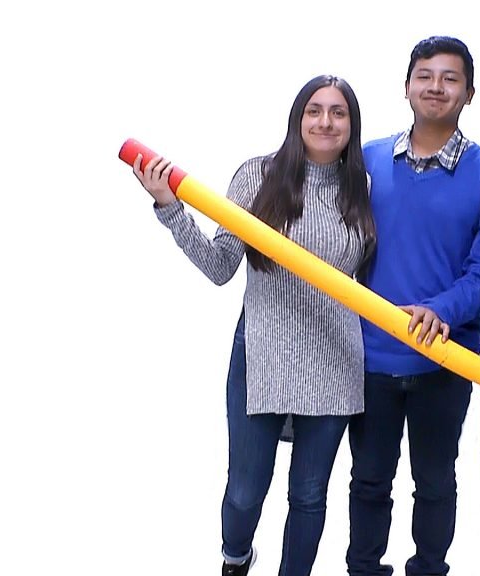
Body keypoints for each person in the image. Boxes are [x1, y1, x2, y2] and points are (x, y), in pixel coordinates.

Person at [131, 75, 376, 576]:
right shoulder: (258, 176)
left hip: (335, 360)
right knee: (245, 492)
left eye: (339, 113)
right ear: (297, 118)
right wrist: (171, 208)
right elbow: (220, 266)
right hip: (264, 351)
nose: (325, 122)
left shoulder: (365, 187)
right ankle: (236, 558)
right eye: (314, 110)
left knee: (308, 495)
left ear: (352, 125)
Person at [346, 36, 480, 576]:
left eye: (450, 78)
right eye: (425, 76)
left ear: (469, 93)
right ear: (407, 86)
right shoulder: (367, 161)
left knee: (435, 483)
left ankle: (430, 569)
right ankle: (363, 568)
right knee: (368, 480)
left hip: (445, 359)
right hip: (370, 357)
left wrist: (440, 310)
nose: (436, 87)